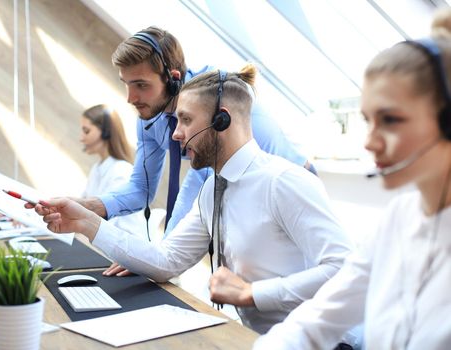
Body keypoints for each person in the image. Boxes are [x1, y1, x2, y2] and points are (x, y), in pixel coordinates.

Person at [32, 64, 352, 335]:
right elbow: (166, 261)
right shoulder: (213, 189)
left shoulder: (284, 181)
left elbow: (343, 268)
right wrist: (87, 222)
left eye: (185, 120)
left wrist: (253, 293)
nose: (175, 133)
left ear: (221, 120)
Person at [253, 17, 451, 350]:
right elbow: (320, 317)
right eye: (367, 120)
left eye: (389, 120)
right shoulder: (397, 220)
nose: (370, 142)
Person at [76, 26, 316, 238]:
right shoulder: (149, 115)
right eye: (126, 84)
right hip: (245, 192)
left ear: (172, 79)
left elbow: (197, 186)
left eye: (141, 85)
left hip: (293, 186)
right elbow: (141, 188)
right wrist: (90, 205)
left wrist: (159, 253)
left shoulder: (211, 100)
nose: (130, 98)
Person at [77, 104, 150, 238]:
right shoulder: (97, 168)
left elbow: (115, 227)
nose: (81, 138)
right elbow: (82, 205)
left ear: (106, 132)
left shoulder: (122, 171)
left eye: (86, 131)